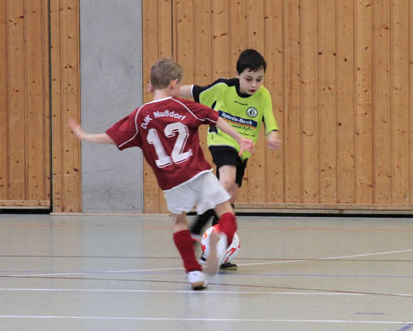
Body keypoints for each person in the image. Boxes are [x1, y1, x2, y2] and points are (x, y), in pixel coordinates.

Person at [68, 58, 254, 290]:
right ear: (174, 84)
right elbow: (215, 118)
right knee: (225, 210)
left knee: (179, 222)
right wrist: (240, 138)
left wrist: (85, 136)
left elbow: (113, 137)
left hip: (171, 182)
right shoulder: (185, 106)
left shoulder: (139, 116)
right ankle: (222, 239)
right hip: (197, 172)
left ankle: (193, 273)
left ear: (150, 85)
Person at [179, 48, 281, 271]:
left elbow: (269, 120)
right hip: (222, 139)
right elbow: (195, 90)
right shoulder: (222, 88)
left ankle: (217, 253)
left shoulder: (263, 95)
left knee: (227, 198)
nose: (254, 84)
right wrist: (168, 90)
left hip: (243, 150)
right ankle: (195, 230)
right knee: (225, 182)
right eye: (248, 79)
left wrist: (272, 135)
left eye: (259, 79)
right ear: (237, 74)